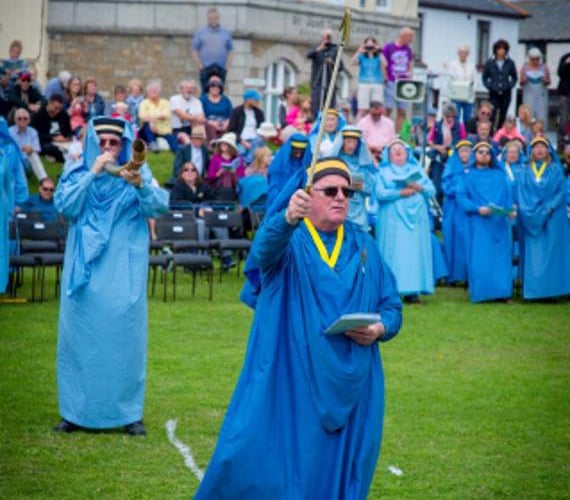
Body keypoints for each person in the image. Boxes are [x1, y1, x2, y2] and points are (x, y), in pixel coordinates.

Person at [194, 157, 403, 499]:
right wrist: (288, 218)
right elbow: (262, 253)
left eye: (347, 191)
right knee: (278, 458)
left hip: (354, 379)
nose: (341, 197)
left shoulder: (364, 244)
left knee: (343, 466)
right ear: (307, 195)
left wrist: (380, 328)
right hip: (292, 373)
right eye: (330, 191)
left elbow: (392, 306)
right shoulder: (290, 239)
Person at [53, 116, 169, 435]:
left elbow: (159, 207)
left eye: (113, 142)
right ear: (93, 143)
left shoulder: (139, 172)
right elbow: (65, 206)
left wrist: (140, 185)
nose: (107, 147)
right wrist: (92, 172)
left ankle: (129, 414)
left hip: (123, 268)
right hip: (84, 270)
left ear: (123, 144)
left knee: (125, 341)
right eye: (102, 142)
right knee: (79, 341)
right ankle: (75, 412)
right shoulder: (76, 172)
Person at [375, 139, 436, 303]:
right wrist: (400, 193)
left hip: (416, 221)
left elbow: (431, 190)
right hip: (392, 219)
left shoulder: (417, 170)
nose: (397, 151)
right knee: (394, 252)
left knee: (414, 253)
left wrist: (419, 187)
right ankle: (391, 290)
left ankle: (413, 291)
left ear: (407, 153)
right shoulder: (383, 171)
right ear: (388, 155)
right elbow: (380, 194)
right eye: (393, 149)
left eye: (400, 148)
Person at [456, 141, 515, 302]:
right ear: (474, 155)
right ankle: (482, 294)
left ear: (492, 156)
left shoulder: (500, 175)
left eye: (487, 152)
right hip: (477, 223)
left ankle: (502, 293)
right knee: (480, 259)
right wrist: (477, 208)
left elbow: (508, 196)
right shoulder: (466, 175)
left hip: (498, 223)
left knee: (500, 259)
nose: (484, 155)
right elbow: (461, 197)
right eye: (480, 152)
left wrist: (510, 210)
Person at [516, 137, 570, 300]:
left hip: (553, 216)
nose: (539, 150)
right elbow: (521, 193)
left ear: (548, 151)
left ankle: (553, 291)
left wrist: (549, 208)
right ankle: (535, 292)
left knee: (553, 253)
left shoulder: (556, 170)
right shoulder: (524, 171)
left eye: (543, 147)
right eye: (536, 147)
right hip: (531, 217)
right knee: (534, 255)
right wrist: (534, 211)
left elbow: (561, 191)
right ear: (531, 151)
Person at [0, 117, 28, 293]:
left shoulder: (9, 150)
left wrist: (17, 202)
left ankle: (6, 280)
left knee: (5, 244)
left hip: (5, 206)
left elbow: (16, 179)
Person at [330, 125, 376, 232]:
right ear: (342, 142)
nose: (351, 145)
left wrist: (353, 183)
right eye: (348, 141)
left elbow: (370, 189)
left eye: (354, 142)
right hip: (338, 206)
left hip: (358, 211)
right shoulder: (334, 161)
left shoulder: (362, 163)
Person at [441, 140, 471, 285]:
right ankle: (453, 274)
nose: (465, 154)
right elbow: (445, 187)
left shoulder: (475, 169)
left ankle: (468, 274)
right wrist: (460, 191)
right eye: (462, 151)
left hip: (468, 210)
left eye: (468, 150)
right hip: (453, 209)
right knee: (453, 240)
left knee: (468, 240)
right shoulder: (451, 169)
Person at [427, 102, 467, 205]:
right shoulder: (437, 125)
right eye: (447, 116)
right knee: (438, 188)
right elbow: (430, 141)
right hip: (438, 159)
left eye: (452, 116)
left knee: (452, 187)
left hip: (453, 159)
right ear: (443, 115)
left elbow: (464, 142)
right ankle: (438, 208)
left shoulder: (460, 126)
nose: (450, 118)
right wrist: (439, 147)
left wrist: (453, 149)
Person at [192, 7, 234, 92]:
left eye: (215, 18)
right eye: (211, 18)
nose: (213, 20)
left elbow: (231, 50)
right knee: (205, 93)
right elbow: (195, 50)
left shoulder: (226, 33)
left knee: (219, 93)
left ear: (219, 18)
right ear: (208, 19)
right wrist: (200, 66)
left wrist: (226, 67)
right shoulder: (200, 32)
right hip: (205, 68)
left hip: (221, 68)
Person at [383, 27, 415, 133]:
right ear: (403, 36)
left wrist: (410, 76)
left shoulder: (408, 50)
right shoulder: (389, 47)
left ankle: (398, 135)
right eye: (410, 36)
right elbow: (383, 63)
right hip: (391, 81)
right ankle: (384, 132)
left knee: (402, 111)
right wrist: (385, 77)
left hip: (403, 83)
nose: (412, 39)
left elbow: (410, 64)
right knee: (388, 109)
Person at [307, 29, 344, 118]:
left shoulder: (334, 50)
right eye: (324, 37)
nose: (326, 39)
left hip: (330, 83)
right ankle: (316, 120)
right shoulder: (317, 47)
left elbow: (341, 67)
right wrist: (320, 48)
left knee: (329, 107)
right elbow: (308, 55)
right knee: (316, 107)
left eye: (328, 37)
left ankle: (328, 121)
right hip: (317, 82)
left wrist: (332, 63)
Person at [267, 132, 310, 206]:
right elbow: (273, 191)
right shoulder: (278, 164)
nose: (299, 155)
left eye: (302, 152)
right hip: (279, 203)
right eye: (296, 152)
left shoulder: (308, 162)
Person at [483, 39, 517, 130]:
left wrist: (509, 85)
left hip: (506, 94)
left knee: (503, 115)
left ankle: (500, 133)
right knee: (492, 115)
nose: (501, 51)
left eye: (504, 49)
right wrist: (490, 86)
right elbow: (484, 77)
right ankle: (490, 133)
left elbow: (514, 77)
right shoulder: (490, 63)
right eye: (499, 48)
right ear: (496, 50)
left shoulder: (510, 63)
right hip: (494, 93)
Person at [351, 37, 387, 121]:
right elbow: (352, 62)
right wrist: (359, 51)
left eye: (372, 45)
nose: (370, 48)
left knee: (377, 107)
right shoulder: (362, 56)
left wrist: (379, 51)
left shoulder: (378, 56)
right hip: (364, 83)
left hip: (377, 84)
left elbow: (385, 64)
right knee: (362, 109)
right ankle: (360, 125)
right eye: (368, 45)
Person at [138, 80, 179, 153]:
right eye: (151, 91)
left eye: (155, 90)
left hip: (164, 129)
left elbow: (166, 115)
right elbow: (142, 116)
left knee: (173, 143)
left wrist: (151, 119)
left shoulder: (165, 102)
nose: (153, 92)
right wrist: (151, 121)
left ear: (159, 92)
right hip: (148, 130)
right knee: (147, 124)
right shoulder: (144, 103)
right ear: (147, 92)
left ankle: (178, 152)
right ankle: (153, 144)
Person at [31, 94, 73, 163]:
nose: (58, 111)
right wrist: (52, 138)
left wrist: (66, 138)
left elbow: (69, 132)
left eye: (60, 108)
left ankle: (59, 157)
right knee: (48, 147)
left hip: (61, 142)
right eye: (56, 108)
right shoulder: (38, 114)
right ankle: (66, 158)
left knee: (76, 145)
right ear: (49, 103)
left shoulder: (63, 114)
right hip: (45, 141)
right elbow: (35, 134)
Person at [9, 107, 48, 181]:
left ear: (29, 120)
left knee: (33, 154)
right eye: (19, 118)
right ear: (15, 120)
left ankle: (44, 179)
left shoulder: (33, 132)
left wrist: (31, 149)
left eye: (25, 118)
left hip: (27, 164)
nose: (22, 120)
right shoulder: (9, 132)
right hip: (13, 162)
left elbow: (38, 149)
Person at [227, 89, 265, 162]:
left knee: (257, 151)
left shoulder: (259, 113)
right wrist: (242, 141)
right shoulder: (236, 111)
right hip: (240, 140)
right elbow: (231, 130)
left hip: (256, 139)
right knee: (241, 152)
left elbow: (262, 128)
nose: (258, 101)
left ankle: (249, 164)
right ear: (248, 100)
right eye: (256, 100)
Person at [357, 100, 395, 165]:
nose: (377, 116)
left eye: (379, 114)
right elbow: (360, 142)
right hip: (368, 152)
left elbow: (392, 141)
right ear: (369, 111)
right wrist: (372, 148)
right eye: (374, 115)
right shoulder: (362, 123)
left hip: (386, 152)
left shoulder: (389, 123)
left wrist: (383, 149)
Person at [520, 47, 551, 126]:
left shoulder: (544, 68)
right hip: (529, 94)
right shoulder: (525, 68)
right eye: (533, 59)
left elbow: (548, 82)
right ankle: (527, 132)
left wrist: (545, 80)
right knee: (528, 113)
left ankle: (541, 131)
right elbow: (521, 83)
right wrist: (525, 79)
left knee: (542, 114)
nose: (535, 61)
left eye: (537, 59)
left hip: (541, 95)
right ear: (529, 58)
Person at [447, 45, 477, 124]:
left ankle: (466, 131)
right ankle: (456, 131)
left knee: (467, 117)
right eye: (461, 52)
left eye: (465, 53)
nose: (463, 54)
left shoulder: (471, 66)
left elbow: (474, 80)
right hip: (457, 95)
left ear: (468, 54)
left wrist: (472, 91)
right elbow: (452, 79)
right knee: (456, 116)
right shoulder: (453, 64)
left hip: (468, 96)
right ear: (458, 53)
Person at [200, 75, 233, 143]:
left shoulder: (226, 100)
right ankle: (213, 146)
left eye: (218, 85)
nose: (215, 87)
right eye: (212, 85)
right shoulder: (202, 100)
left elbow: (231, 115)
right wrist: (210, 122)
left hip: (224, 124)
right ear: (208, 86)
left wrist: (226, 123)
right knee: (210, 128)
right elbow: (200, 116)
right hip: (209, 125)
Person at [556, 52, 570, 152]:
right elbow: (560, 73)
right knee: (563, 121)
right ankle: (561, 146)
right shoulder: (565, 57)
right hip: (565, 93)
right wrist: (566, 64)